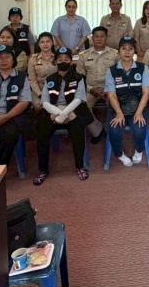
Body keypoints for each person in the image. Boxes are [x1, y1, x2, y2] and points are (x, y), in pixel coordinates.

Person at [35, 47, 93, 184]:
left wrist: (64, 114)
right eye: (60, 59)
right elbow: (44, 102)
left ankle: (80, 167)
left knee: (78, 131)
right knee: (42, 133)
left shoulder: (79, 78)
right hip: (53, 112)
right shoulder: (50, 79)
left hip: (73, 111)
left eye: (66, 59)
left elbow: (78, 100)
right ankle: (43, 170)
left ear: (71, 61)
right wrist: (58, 114)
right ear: (55, 61)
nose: (63, 61)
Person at [106, 37, 149, 166]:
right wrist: (119, 113)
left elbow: (146, 93)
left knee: (139, 129)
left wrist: (139, 112)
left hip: (139, 107)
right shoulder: (111, 71)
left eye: (130, 49)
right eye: (124, 49)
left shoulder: (143, 68)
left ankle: (139, 150)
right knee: (114, 130)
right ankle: (119, 154)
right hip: (118, 107)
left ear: (134, 51)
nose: (127, 52)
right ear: (118, 51)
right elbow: (112, 95)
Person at [77, 26, 119, 143]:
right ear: (92, 38)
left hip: (110, 89)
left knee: (116, 105)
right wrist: (91, 89)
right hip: (90, 89)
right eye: (96, 36)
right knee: (80, 107)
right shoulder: (83, 55)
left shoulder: (115, 54)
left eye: (102, 36)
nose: (99, 39)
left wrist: (109, 88)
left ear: (106, 38)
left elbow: (119, 75)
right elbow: (79, 78)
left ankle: (110, 129)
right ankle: (98, 130)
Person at [28, 32, 57, 112]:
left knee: (56, 105)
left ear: (52, 43)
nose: (45, 44)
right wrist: (40, 94)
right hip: (39, 88)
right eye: (42, 42)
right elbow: (32, 80)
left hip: (55, 88)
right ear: (38, 44)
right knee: (39, 106)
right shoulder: (33, 59)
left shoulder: (57, 57)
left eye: (48, 41)